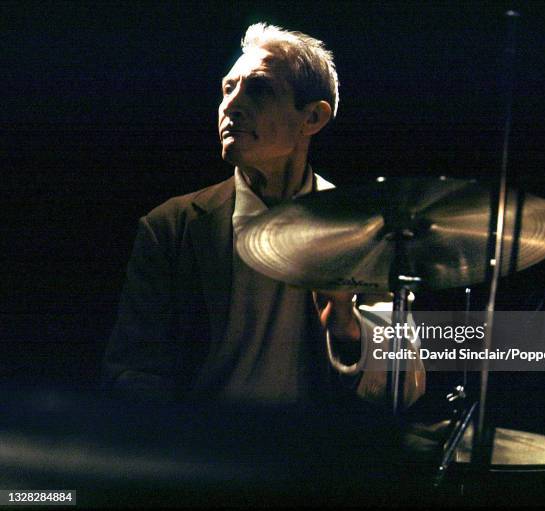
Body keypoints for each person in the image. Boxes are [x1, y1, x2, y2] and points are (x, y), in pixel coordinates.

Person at [102, 22, 424, 407]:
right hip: (199, 453)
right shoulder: (171, 226)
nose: (231, 104)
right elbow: (132, 368)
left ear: (313, 118)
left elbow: (406, 386)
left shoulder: (362, 229)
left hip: (311, 459)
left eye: (258, 88)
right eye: (227, 88)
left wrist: (345, 321)